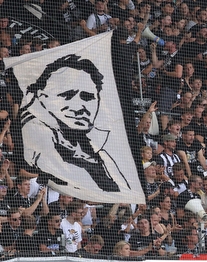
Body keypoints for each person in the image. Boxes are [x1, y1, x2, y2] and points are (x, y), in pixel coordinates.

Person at [20, 54, 136, 198]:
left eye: (88, 97)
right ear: (42, 97)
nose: (80, 106)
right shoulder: (36, 132)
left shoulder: (99, 148)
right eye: (67, 95)